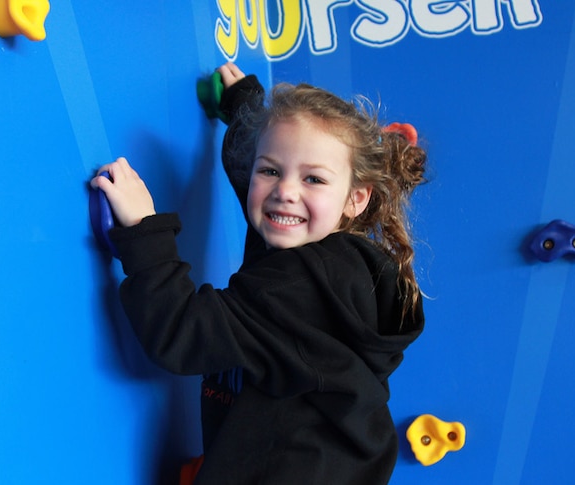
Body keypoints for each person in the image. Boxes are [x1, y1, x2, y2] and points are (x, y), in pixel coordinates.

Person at [90, 62, 428, 484]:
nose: (285, 191)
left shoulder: (303, 283)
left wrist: (143, 231)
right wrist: (246, 107)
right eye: (271, 169)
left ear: (355, 199)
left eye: (314, 179)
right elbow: (260, 194)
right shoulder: (324, 252)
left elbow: (180, 331)